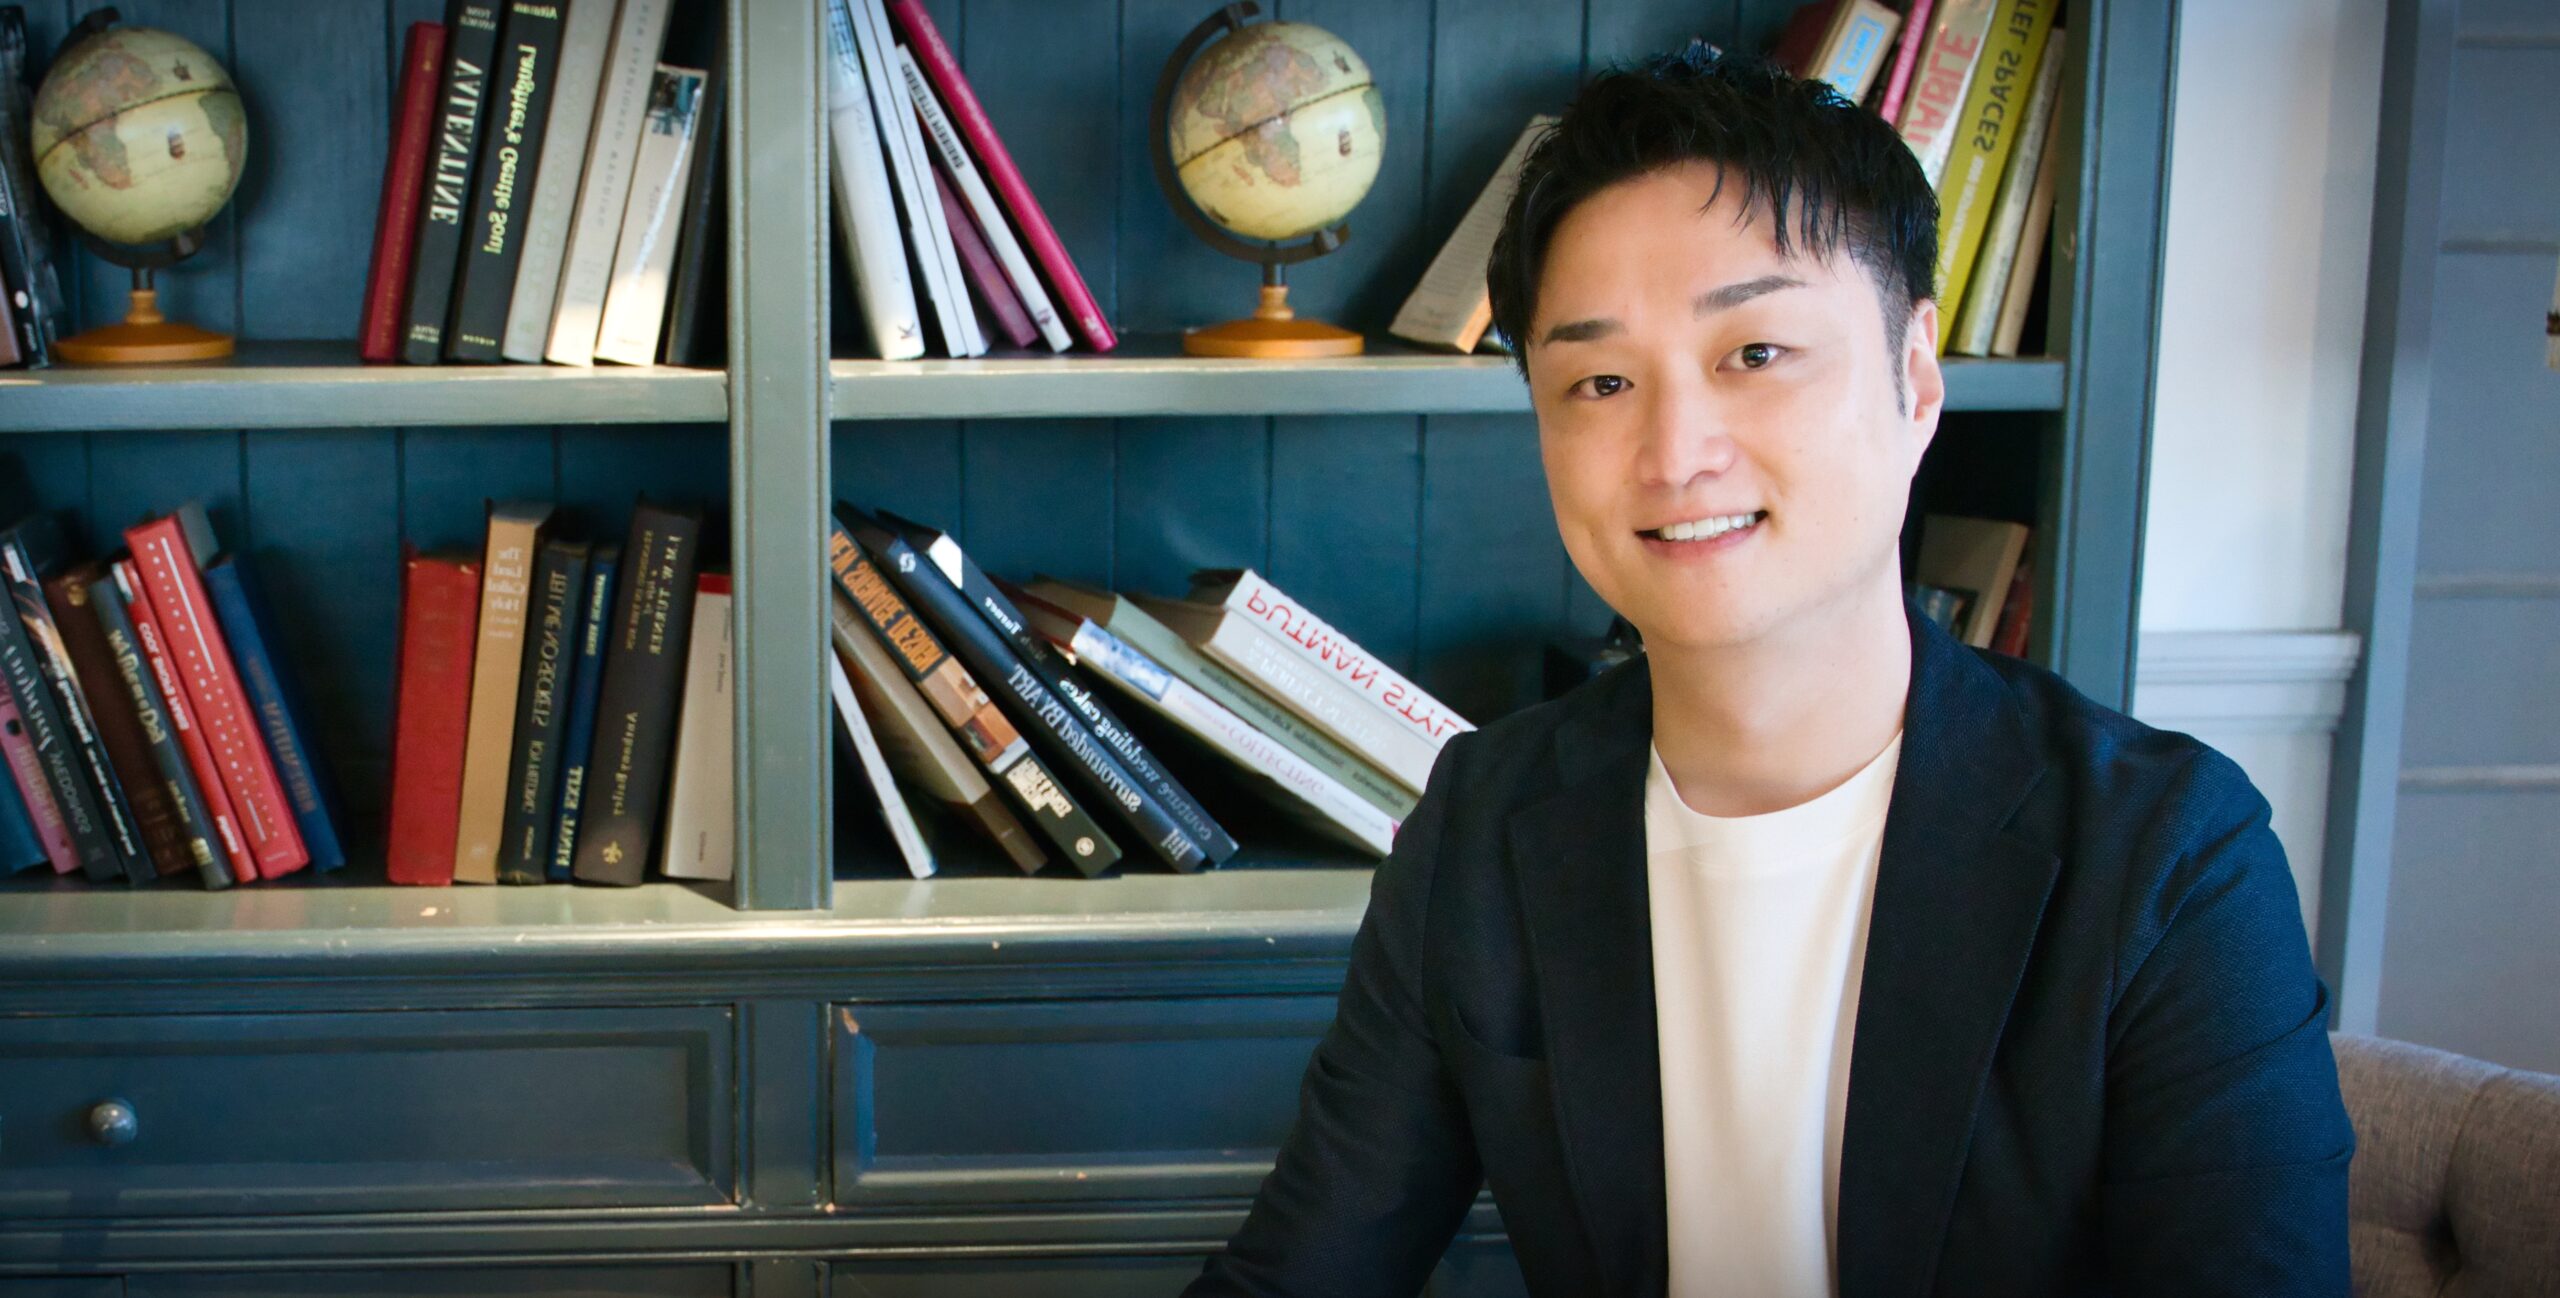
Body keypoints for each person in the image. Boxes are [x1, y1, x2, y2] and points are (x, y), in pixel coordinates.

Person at [1185, 46, 2353, 1298]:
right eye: (1600, 380)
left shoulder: (2166, 852)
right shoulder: (1485, 822)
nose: (1673, 451)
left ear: (1914, 381)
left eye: (1754, 353)